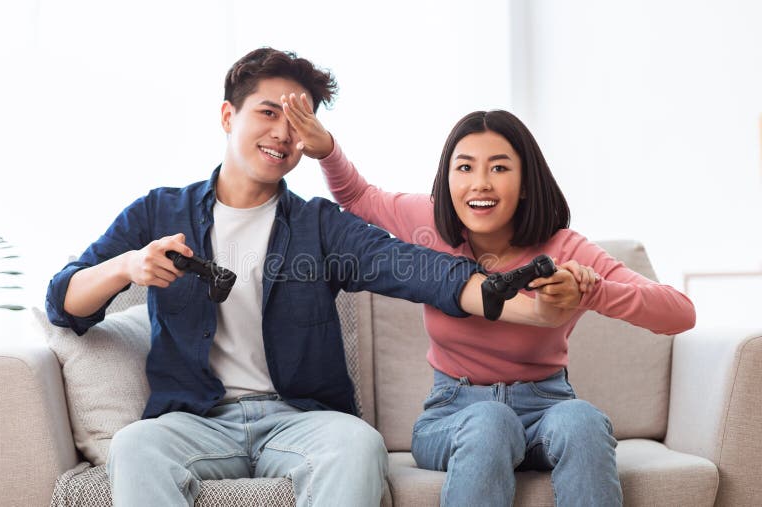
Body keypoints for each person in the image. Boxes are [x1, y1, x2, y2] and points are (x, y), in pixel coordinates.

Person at [45, 49, 581, 507]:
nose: (282, 133)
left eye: (297, 122)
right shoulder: (160, 212)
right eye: (269, 112)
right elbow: (64, 302)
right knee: (135, 446)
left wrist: (525, 307)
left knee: (359, 446)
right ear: (228, 115)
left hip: (301, 420)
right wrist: (126, 267)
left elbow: (415, 268)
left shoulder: (319, 225)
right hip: (194, 420)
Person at [282, 99, 696, 506]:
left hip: (547, 407)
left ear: (527, 182)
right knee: (490, 421)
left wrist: (592, 291)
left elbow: (679, 312)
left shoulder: (565, 248)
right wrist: (328, 150)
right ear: (447, 179)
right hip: (454, 414)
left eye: (499, 167)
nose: (480, 182)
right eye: (465, 167)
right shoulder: (428, 225)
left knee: (584, 421)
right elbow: (358, 198)